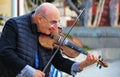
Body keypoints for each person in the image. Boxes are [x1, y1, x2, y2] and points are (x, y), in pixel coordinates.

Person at [0, 2, 98, 77]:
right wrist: (30, 71)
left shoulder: (50, 34)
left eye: (57, 23)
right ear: (39, 19)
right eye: (53, 22)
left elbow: (59, 61)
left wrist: (82, 64)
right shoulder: (14, 25)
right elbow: (6, 52)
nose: (55, 28)